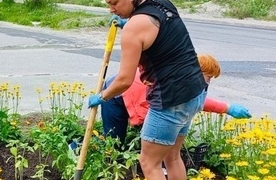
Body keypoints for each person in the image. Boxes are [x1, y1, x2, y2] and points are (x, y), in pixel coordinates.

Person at [87, 0, 207, 180]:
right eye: (108, 4)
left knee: (149, 163)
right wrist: (128, 21)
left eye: (114, 3)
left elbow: (123, 81)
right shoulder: (161, 3)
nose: (111, 9)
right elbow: (160, 36)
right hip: (194, 92)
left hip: (170, 99)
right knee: (172, 157)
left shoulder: (134, 28)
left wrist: (102, 96)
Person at [101, 52, 252, 145]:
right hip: (115, 93)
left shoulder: (187, 80)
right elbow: (149, 112)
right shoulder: (174, 81)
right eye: (208, 76)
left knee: (151, 143)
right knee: (114, 140)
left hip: (138, 94)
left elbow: (194, 101)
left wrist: (227, 108)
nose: (209, 81)